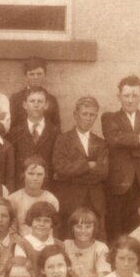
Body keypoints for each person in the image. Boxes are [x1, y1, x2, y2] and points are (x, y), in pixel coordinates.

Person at [102, 75, 140, 242]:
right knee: (115, 229)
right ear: (119, 96)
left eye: (135, 95)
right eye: (126, 95)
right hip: (118, 183)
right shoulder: (110, 118)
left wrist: (127, 142)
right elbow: (113, 140)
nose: (130, 100)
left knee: (138, 231)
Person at [52, 96, 108, 237]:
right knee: (69, 238)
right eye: (84, 114)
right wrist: (87, 165)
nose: (88, 118)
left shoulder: (100, 143)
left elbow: (103, 172)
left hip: (95, 200)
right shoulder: (63, 140)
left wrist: (74, 174)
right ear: (76, 115)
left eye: (92, 115)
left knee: (94, 237)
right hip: (70, 200)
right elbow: (60, 168)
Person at [63, 208, 111, 277]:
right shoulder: (65, 245)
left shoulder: (101, 248)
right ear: (72, 228)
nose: (83, 231)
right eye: (78, 227)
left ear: (94, 228)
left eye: (88, 227)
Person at [8, 88, 58, 188]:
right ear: (25, 105)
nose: (36, 105)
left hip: (46, 185)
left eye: (40, 101)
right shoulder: (15, 132)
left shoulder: (55, 131)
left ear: (46, 105)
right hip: (21, 184)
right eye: (32, 101)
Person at [8, 156, 59, 236]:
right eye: (31, 174)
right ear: (23, 174)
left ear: (45, 176)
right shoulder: (13, 199)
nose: (35, 178)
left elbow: (50, 231)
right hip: (21, 244)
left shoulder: (51, 199)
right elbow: (11, 231)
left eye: (39, 174)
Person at [9, 57, 60, 132]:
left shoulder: (51, 99)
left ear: (45, 75)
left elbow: (56, 126)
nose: (36, 77)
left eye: (39, 74)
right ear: (26, 76)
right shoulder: (16, 98)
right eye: (31, 74)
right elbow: (13, 126)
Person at [13, 201, 62, 269]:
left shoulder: (59, 245)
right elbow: (20, 271)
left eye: (46, 221)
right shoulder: (22, 245)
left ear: (52, 223)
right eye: (38, 220)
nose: (41, 224)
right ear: (31, 221)